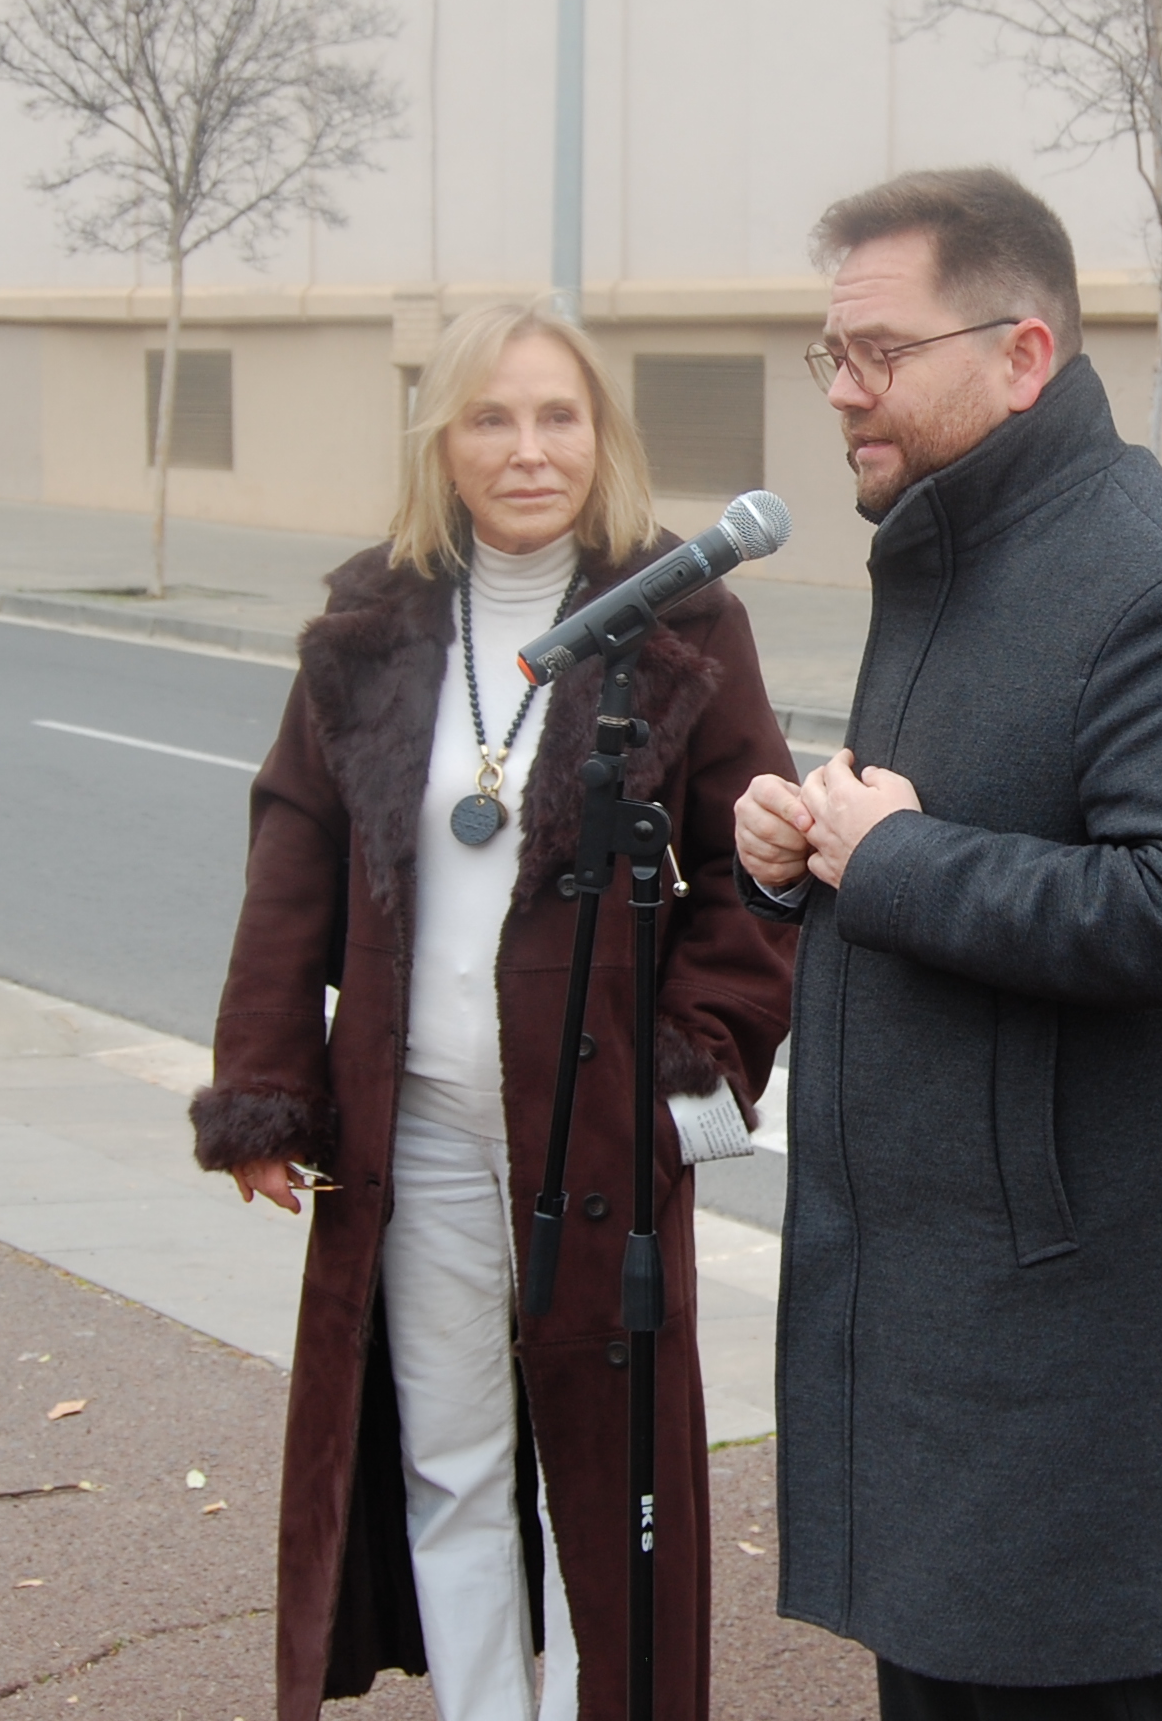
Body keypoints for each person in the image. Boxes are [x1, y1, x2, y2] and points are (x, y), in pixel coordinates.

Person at [733, 167, 1162, 1721]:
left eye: (880, 355)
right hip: (938, 1307)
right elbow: (949, 835)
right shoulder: (951, 542)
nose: (844, 393)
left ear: (1023, 353)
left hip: (1062, 1339)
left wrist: (898, 859)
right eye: (830, 355)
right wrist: (809, 853)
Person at [193, 302, 796, 1721]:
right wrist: (265, 1085)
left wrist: (688, 1065)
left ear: (604, 436)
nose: (529, 451)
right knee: (450, 1460)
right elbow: (291, 859)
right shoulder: (365, 633)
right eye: (491, 418)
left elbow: (754, 876)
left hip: (598, 1135)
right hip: (413, 1134)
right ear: (443, 444)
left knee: (600, 1475)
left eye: (558, 416)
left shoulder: (688, 624)